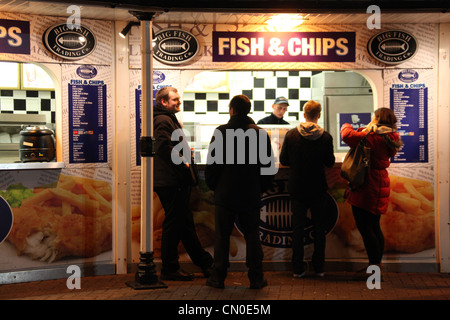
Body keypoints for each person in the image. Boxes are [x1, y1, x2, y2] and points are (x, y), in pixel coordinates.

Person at [205, 95, 275, 289]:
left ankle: (217, 277)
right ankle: (256, 278)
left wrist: (215, 186)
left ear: (232, 110)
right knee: (252, 235)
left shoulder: (221, 132)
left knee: (222, 237)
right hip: (250, 193)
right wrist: (260, 188)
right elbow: (268, 167)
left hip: (225, 194)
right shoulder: (260, 133)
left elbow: (212, 166)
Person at [153, 86, 213, 281]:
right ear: (164, 102)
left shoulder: (166, 118)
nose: (179, 102)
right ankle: (170, 268)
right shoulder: (163, 119)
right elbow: (163, 146)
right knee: (174, 224)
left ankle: (204, 263)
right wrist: (184, 161)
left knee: (183, 223)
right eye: (175, 99)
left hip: (173, 180)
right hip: (172, 181)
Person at [340, 107, 403, 276]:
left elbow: (347, 135)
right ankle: (376, 266)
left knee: (365, 228)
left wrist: (346, 123)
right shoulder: (390, 136)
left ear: (377, 119)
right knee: (374, 226)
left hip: (368, 183)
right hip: (379, 181)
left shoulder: (373, 137)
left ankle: (374, 269)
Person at [279, 100, 335, 278]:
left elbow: (284, 160)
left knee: (298, 229)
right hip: (318, 187)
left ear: (304, 115)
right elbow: (330, 162)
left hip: (297, 187)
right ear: (318, 115)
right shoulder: (325, 137)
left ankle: (298, 268)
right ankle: (319, 268)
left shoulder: (291, 135)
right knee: (319, 228)